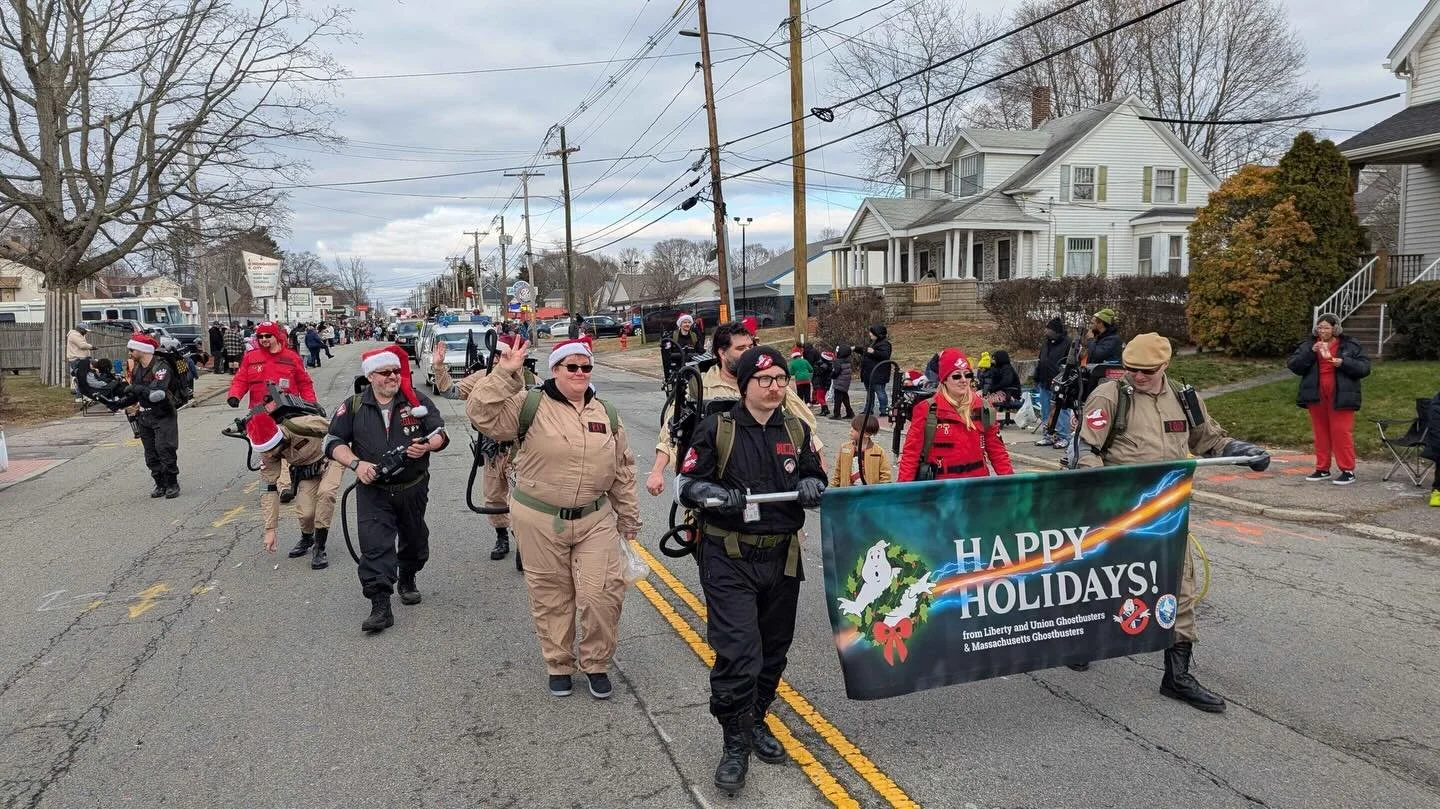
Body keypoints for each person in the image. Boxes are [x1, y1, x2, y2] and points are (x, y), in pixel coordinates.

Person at [1075, 332, 1269, 711]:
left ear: (1165, 366)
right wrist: (1098, 494)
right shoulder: (1110, 396)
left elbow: (1211, 441)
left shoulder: (1185, 398)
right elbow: (1087, 449)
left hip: (1169, 513)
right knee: (1101, 583)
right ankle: (1083, 642)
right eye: (1130, 369)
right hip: (1122, 512)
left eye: (1146, 370)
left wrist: (1244, 452)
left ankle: (1177, 677)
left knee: (1178, 586)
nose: (1137, 376)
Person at [678, 345, 827, 796]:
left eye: (781, 380)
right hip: (729, 558)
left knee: (773, 651)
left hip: (781, 556)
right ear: (744, 384)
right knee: (740, 652)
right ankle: (734, 742)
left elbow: (816, 476)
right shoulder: (715, 429)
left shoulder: (796, 429)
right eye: (765, 380)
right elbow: (687, 485)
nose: (776, 387)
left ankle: (756, 718)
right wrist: (712, 494)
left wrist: (811, 484)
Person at [467, 337, 641, 700]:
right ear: (555, 369)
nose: (580, 373)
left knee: (601, 594)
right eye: (571, 366)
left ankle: (596, 662)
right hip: (539, 518)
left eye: (586, 367)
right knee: (551, 595)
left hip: (595, 519)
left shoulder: (605, 413)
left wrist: (628, 518)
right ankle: (559, 663)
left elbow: (622, 469)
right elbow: (480, 414)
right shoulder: (527, 405)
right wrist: (504, 372)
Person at [324, 346, 448, 633]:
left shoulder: (416, 401)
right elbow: (331, 442)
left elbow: (440, 433)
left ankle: (408, 576)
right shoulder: (353, 406)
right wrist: (356, 464)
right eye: (385, 372)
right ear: (371, 377)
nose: (393, 377)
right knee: (375, 545)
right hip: (374, 490)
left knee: (415, 541)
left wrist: (427, 446)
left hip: (413, 487)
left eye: (395, 371)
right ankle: (380, 604)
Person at [646, 322, 820, 496]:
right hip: (713, 486)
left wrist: (815, 473)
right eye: (741, 348)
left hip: (771, 480)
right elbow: (672, 434)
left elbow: (805, 428)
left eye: (751, 346)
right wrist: (657, 472)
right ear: (722, 352)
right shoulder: (698, 387)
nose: (749, 352)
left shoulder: (773, 383)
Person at [431, 337, 530, 561]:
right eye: (499, 355)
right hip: (494, 451)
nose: (501, 359)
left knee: (523, 499)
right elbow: (451, 392)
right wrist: (439, 367)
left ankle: (523, 543)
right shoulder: (483, 377)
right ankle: (501, 535)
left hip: (522, 451)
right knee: (494, 498)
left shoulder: (532, 380)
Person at [897, 348, 1014, 481]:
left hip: (976, 488)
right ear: (944, 380)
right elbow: (911, 455)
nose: (963, 380)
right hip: (941, 490)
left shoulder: (984, 408)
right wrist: (902, 493)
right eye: (956, 375)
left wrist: (1011, 486)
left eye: (968, 375)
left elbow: (997, 451)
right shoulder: (927, 409)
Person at [247, 411, 344, 569]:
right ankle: (307, 538)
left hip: (331, 459)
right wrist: (270, 529)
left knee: (325, 493)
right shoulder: (268, 454)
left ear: (279, 437)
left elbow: (338, 428)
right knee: (306, 513)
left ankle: (319, 547)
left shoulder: (303, 425)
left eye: (272, 449)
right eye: (265, 451)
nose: (270, 454)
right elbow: (268, 488)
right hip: (306, 469)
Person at [1287, 313, 1370, 485]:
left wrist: (1343, 362)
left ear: (1335, 329)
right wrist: (1311, 352)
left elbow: (1364, 368)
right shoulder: (1309, 344)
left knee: (1341, 431)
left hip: (1341, 393)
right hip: (1316, 394)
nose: (1322, 331)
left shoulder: (1350, 345)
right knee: (1320, 432)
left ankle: (1347, 469)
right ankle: (1322, 468)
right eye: (1319, 327)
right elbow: (1294, 366)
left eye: (1326, 327)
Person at [125, 334, 182, 498]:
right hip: (144, 417)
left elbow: (157, 393)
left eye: (132, 349)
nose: (129, 353)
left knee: (165, 449)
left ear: (142, 350)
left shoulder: (161, 367)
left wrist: (136, 390)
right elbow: (135, 392)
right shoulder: (137, 369)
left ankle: (172, 483)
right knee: (150, 454)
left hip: (163, 414)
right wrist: (123, 401)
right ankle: (160, 483)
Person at [227, 321, 317, 408]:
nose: (264, 339)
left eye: (268, 336)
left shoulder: (292, 357)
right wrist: (234, 395)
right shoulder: (250, 357)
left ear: (276, 336)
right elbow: (240, 380)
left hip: (288, 410)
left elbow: (304, 383)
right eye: (260, 336)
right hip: (259, 410)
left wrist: (311, 402)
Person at [1034, 317, 1073, 448]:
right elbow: (1041, 360)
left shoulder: (1068, 343)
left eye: (1049, 329)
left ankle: (1063, 436)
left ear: (1055, 331)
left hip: (1059, 382)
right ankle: (1048, 435)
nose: (1046, 331)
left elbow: (1070, 363)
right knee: (1046, 410)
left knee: (1061, 410)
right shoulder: (1046, 343)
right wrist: (1037, 377)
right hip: (1044, 381)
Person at [830, 414, 892, 487]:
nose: (851, 430)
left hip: (868, 495)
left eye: (855, 429)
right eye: (851, 427)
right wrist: (833, 488)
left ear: (866, 434)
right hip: (847, 493)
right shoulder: (844, 448)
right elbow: (838, 472)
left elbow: (885, 476)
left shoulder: (878, 452)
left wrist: (880, 494)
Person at [859, 324, 892, 414]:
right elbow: (866, 351)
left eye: (872, 333)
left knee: (880, 392)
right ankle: (868, 409)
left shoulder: (885, 344)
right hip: (869, 373)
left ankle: (884, 409)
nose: (870, 334)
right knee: (870, 393)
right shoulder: (873, 342)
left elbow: (885, 356)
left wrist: (874, 352)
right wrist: (856, 349)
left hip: (878, 374)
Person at [66, 323, 94, 397]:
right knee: (80, 378)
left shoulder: (79, 335)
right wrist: (91, 347)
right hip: (77, 360)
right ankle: (79, 396)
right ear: (80, 329)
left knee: (83, 378)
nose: (86, 332)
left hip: (80, 359)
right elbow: (82, 345)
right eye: (85, 330)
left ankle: (84, 395)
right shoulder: (74, 335)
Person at [829, 344, 855, 421]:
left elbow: (836, 372)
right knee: (845, 397)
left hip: (839, 382)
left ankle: (837, 414)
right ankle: (850, 413)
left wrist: (832, 375)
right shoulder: (848, 360)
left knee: (838, 399)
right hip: (845, 381)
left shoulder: (838, 361)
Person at [811, 349, 834, 417]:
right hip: (824, 384)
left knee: (819, 398)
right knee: (822, 397)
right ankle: (823, 410)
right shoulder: (828, 365)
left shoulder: (824, 366)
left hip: (822, 384)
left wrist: (815, 368)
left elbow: (818, 372)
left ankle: (825, 410)